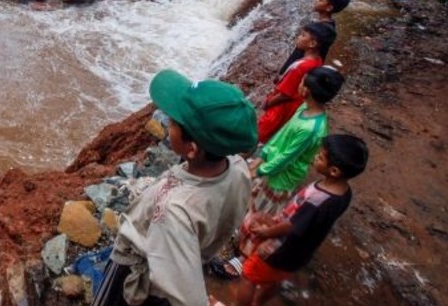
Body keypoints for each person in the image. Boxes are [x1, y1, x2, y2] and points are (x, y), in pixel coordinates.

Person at [91, 69, 258, 306]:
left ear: (192, 149)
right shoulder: (238, 166)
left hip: (140, 272)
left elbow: (188, 298)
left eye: (173, 122)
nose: (167, 123)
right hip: (193, 253)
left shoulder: (174, 210)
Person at [210, 66, 345, 280]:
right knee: (252, 203)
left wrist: (262, 169)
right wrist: (263, 155)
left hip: (281, 178)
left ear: (306, 90)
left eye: (302, 82)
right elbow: (282, 137)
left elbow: (288, 157)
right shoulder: (304, 109)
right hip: (271, 165)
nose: (298, 85)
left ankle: (244, 258)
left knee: (263, 216)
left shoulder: (312, 129)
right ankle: (240, 235)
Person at [234, 134, 369, 306]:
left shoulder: (318, 200)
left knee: (248, 276)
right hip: (299, 253)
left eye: (320, 157)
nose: (315, 158)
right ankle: (258, 303)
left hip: (280, 250)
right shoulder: (344, 193)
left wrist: (266, 231)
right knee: (274, 279)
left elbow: (291, 227)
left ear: (334, 170)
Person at [258, 22, 335, 145]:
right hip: (294, 106)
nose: (298, 37)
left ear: (312, 44)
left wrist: (268, 103)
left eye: (303, 35)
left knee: (260, 134)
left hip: (280, 108)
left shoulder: (300, 67)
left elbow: (285, 94)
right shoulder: (317, 61)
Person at [278, 0, 351, 75]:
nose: (316, 1)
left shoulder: (322, 30)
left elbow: (301, 53)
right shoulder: (327, 26)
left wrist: (284, 72)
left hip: (300, 69)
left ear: (329, 8)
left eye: (320, 0)